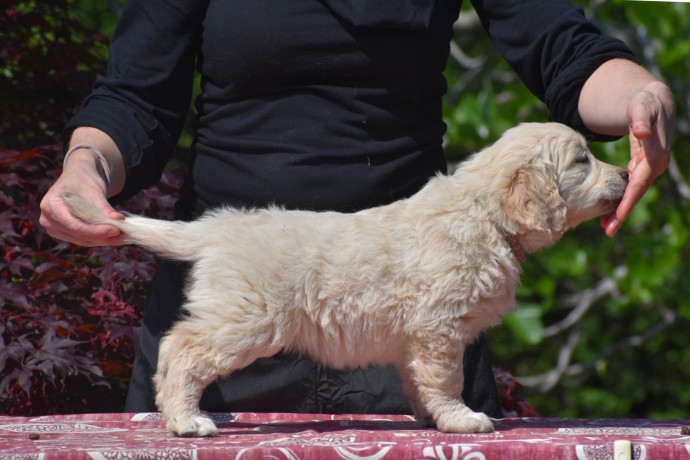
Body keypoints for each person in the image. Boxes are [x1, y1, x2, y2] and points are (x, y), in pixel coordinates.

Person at [40, 0, 674, 417]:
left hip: (407, 309)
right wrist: (85, 166)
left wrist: (642, 95)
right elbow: (135, 94)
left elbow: (564, 49)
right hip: (246, 290)